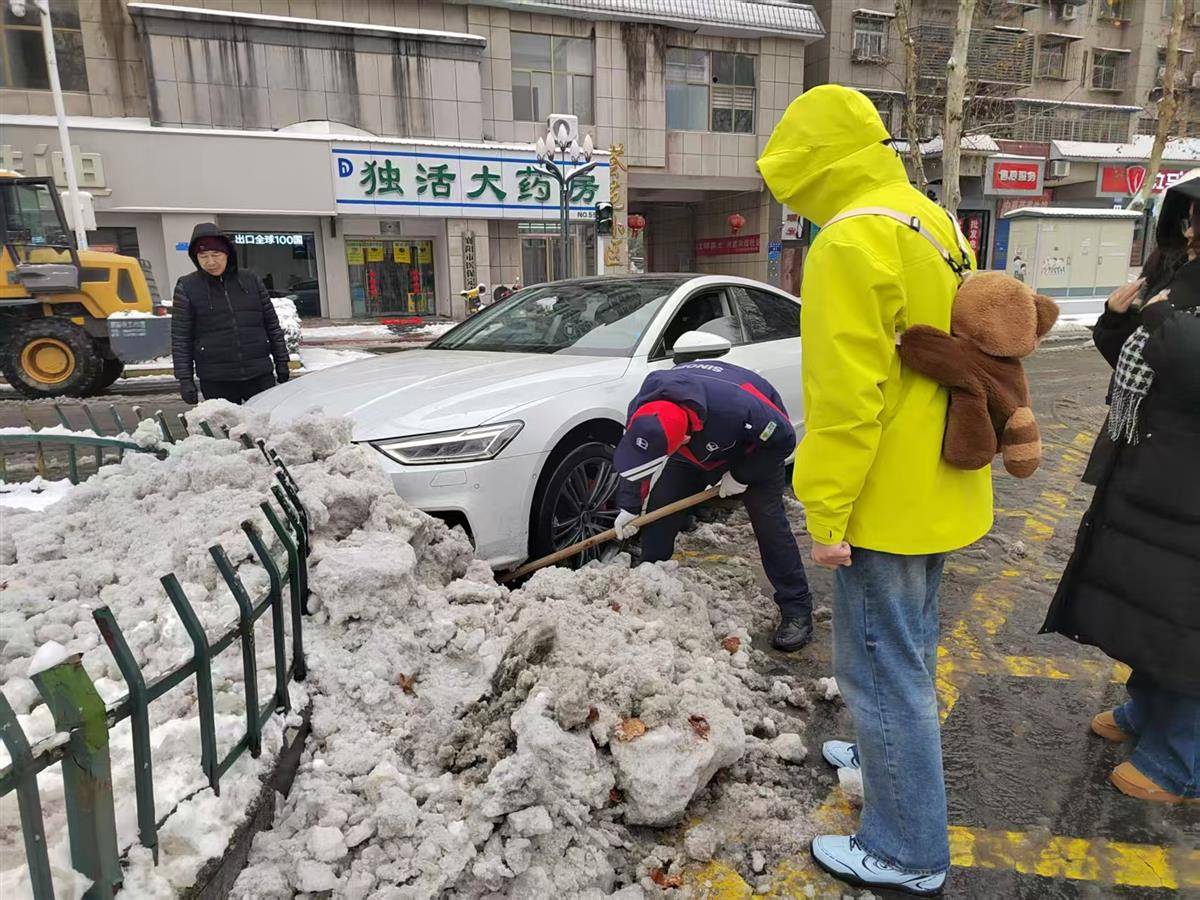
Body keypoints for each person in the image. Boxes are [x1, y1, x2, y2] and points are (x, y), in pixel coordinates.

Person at [757, 85, 993, 895]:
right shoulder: (929, 220)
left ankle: (904, 851)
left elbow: (846, 399)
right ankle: (877, 756)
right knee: (909, 649)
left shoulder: (849, 240)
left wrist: (825, 509)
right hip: (942, 481)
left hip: (882, 501)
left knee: (881, 671)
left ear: (811, 168)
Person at [1041, 177, 1200, 805]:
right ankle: (1147, 710)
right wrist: (1116, 320)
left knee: (1184, 621)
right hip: (1150, 469)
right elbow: (1142, 363)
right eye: (1187, 218)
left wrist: (1164, 321)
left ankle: (1180, 761)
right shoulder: (1181, 274)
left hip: (1187, 489)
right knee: (1147, 606)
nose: (1190, 230)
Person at [612, 359, 815, 652]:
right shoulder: (645, 405)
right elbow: (637, 457)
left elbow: (784, 440)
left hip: (756, 448)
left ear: (684, 437)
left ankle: (797, 607)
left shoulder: (741, 408)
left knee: (768, 521)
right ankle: (651, 580)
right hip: (692, 447)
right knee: (660, 510)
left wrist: (743, 475)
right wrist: (629, 506)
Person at [172, 223, 290, 405]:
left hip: (258, 374)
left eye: (216, 254)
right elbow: (181, 338)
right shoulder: (187, 287)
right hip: (217, 379)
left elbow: (271, 324)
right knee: (226, 423)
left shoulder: (251, 280)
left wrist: (282, 361)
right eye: (203, 256)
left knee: (265, 421)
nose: (210, 262)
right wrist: (184, 379)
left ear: (228, 253)